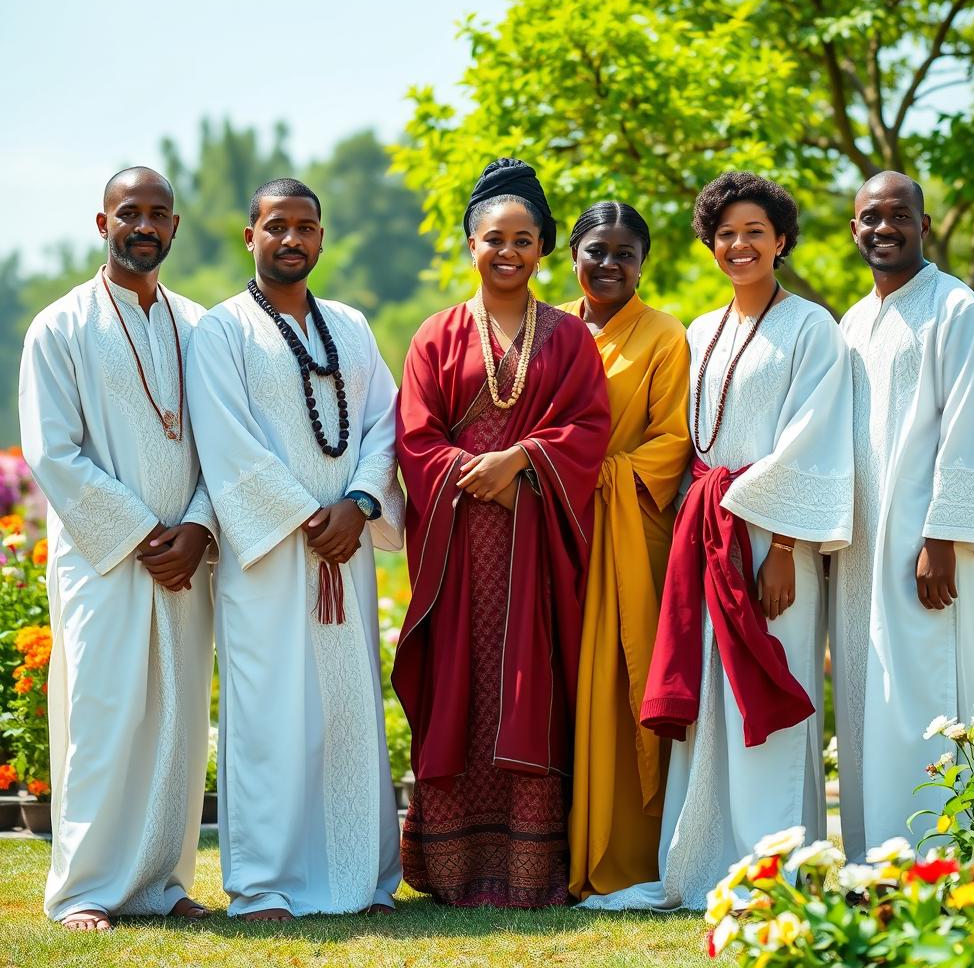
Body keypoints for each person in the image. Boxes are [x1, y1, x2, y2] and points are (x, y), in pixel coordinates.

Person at [581, 171, 854, 912]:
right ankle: (701, 860)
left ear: (782, 240)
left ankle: (771, 865)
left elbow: (816, 437)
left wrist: (786, 548)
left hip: (771, 538)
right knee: (709, 698)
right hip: (703, 533)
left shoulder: (812, 327)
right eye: (726, 233)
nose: (739, 245)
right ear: (709, 243)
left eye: (755, 232)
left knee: (763, 687)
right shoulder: (699, 330)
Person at [393, 158, 611, 908]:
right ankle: (453, 870)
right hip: (458, 549)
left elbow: (588, 428)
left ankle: (532, 869)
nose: (508, 251)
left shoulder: (571, 339)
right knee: (461, 686)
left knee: (532, 685)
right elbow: (414, 438)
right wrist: (472, 471)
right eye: (494, 239)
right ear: (470, 245)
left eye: (523, 239)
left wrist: (521, 461)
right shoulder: (436, 335)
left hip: (537, 547)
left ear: (543, 247)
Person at [185, 178, 404, 920]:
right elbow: (227, 440)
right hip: (271, 554)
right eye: (276, 225)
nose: (291, 239)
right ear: (250, 235)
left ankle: (359, 877)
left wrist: (361, 503)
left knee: (347, 708)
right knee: (269, 714)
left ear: (321, 237)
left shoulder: (352, 325)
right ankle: (264, 885)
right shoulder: (221, 331)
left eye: (305, 226)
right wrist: (310, 517)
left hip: (347, 547)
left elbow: (384, 423)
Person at [19, 167, 217, 930]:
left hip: (185, 559)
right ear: (102, 224)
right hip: (103, 558)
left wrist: (199, 527)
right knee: (104, 717)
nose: (144, 225)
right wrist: (142, 533)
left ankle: (163, 883)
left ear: (174, 226)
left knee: (178, 722)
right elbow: (53, 452)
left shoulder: (201, 328)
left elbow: (225, 445)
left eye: (158, 213)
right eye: (128, 212)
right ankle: (84, 890)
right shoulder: (59, 327)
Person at [831, 171, 974, 862]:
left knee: (923, 695)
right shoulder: (853, 322)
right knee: (866, 697)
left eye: (898, 215)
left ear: (925, 225)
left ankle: (936, 857)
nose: (884, 227)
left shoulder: (958, 310)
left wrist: (943, 537)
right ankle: (872, 862)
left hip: (924, 543)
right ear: (854, 229)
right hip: (860, 548)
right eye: (870, 217)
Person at [558, 202, 690, 899]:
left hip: (629, 532)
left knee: (624, 686)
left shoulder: (666, 335)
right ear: (572, 255)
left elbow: (674, 439)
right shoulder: (547, 328)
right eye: (596, 251)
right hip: (552, 528)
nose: (609, 264)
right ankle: (543, 853)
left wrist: (595, 477)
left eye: (625, 254)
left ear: (643, 264)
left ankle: (630, 855)